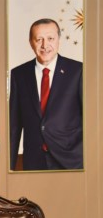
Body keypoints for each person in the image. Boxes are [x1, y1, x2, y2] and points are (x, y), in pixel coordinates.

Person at [9, 18, 83, 171]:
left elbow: (90, 121)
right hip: (34, 162)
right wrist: (8, 168)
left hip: (72, 162)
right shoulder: (19, 74)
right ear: (31, 43)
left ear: (58, 40)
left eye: (50, 38)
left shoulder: (78, 71)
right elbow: (14, 126)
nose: (45, 45)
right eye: (39, 39)